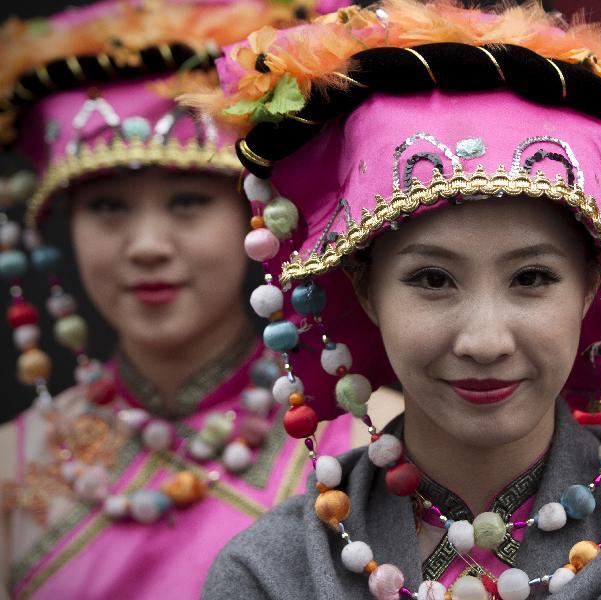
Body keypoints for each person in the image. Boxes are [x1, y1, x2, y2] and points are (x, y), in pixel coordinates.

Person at [192, 2, 601, 597]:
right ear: (366, 289)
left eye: (531, 279)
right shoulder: (272, 571)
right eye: (432, 280)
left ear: (594, 282)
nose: (485, 342)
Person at [0, 1, 379, 598]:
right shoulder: (16, 462)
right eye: (107, 208)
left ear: (254, 217)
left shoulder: (361, 441)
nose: (147, 246)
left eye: (187, 203)